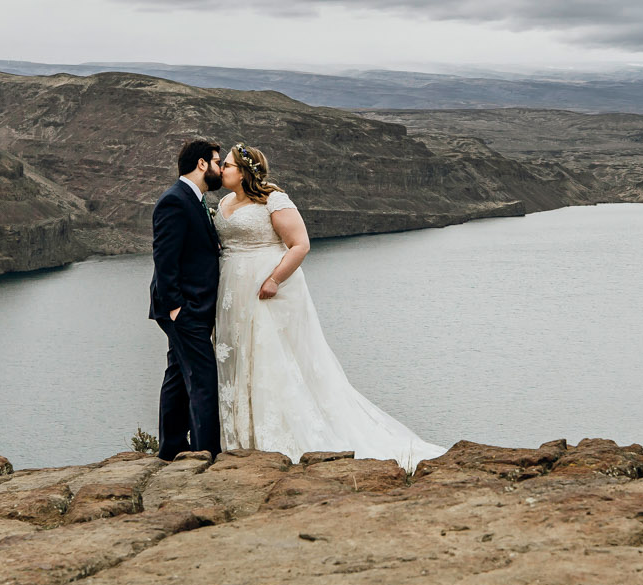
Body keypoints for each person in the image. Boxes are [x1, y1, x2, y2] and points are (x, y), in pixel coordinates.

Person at [211, 142, 443, 470]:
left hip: (266, 290)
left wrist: (274, 279)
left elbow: (300, 244)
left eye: (229, 166)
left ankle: (277, 439)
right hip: (233, 290)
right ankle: (240, 439)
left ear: (246, 171)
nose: (222, 170)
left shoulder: (274, 199)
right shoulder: (223, 202)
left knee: (269, 359)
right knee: (239, 356)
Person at [149, 138, 223, 460]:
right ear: (202, 164)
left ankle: (171, 449)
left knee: (178, 375)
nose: (220, 168)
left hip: (191, 307)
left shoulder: (196, 200)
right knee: (204, 380)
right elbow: (164, 258)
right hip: (184, 309)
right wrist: (177, 308)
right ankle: (206, 453)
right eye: (217, 162)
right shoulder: (175, 201)